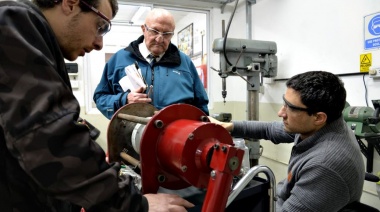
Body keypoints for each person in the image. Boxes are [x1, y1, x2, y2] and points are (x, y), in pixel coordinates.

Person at [0, 0, 193, 211]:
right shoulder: (13, 23)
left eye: (167, 34)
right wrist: (135, 204)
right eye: (100, 27)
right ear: (70, 3)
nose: (100, 44)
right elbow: (51, 135)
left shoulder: (185, 63)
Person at [209, 71, 365, 211]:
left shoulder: (325, 165)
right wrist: (227, 126)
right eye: (284, 103)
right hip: (283, 198)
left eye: (290, 108)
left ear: (318, 117)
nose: (280, 112)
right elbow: (269, 129)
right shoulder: (322, 125)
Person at [93, 8, 209, 119]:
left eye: (166, 33)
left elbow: (202, 107)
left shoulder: (185, 63)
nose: (159, 39)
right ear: (144, 29)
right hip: (130, 135)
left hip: (175, 136)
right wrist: (124, 100)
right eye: (155, 31)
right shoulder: (119, 59)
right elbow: (100, 98)